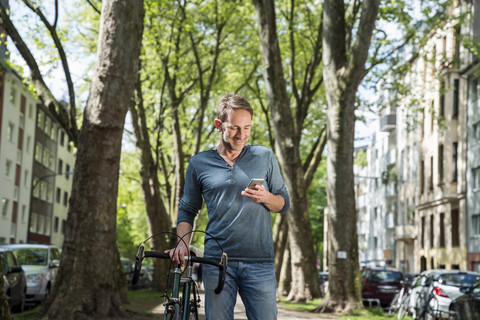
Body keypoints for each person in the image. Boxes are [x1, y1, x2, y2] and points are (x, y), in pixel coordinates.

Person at [166, 93, 290, 319]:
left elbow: (283, 203)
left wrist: (266, 198)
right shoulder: (199, 163)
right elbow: (187, 209)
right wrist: (182, 245)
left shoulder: (264, 156)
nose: (241, 135)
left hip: (259, 262)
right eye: (234, 128)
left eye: (247, 127)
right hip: (216, 263)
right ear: (218, 125)